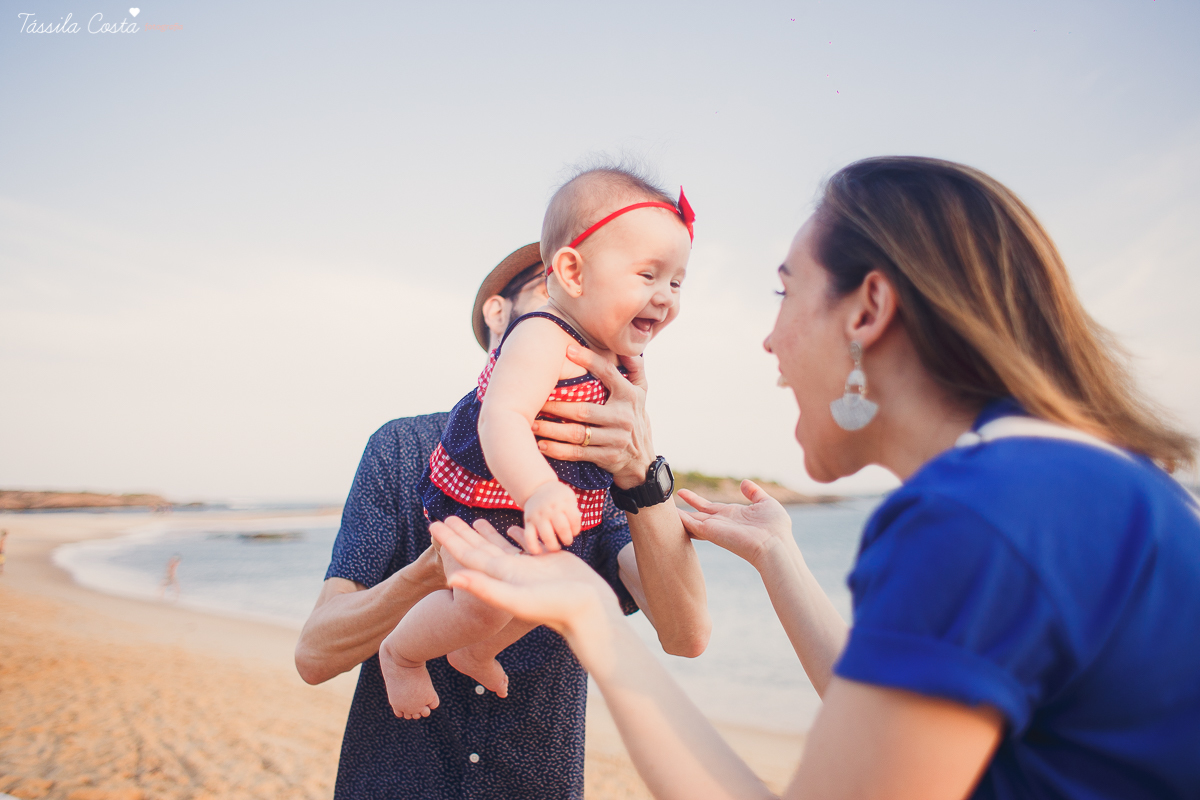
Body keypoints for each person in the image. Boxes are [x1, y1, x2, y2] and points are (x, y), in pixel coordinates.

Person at [430, 156, 1200, 799]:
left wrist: (593, 618)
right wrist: (779, 557)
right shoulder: (1076, 484)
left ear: (867, 311)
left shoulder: (983, 517)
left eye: (784, 292)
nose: (769, 341)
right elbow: (887, 720)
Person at [294, 237, 710, 799]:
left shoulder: (602, 472)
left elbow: (686, 634)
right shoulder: (402, 447)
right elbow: (315, 656)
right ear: (498, 312)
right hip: (394, 782)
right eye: (552, 291)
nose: (580, 311)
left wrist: (642, 472)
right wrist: (427, 574)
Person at [379, 166, 695, 719]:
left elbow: (689, 634)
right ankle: (402, 655)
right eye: (648, 275)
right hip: (485, 498)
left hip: (546, 510)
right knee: (481, 605)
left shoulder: (616, 358)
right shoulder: (542, 333)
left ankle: (476, 652)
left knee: (545, 597)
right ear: (571, 272)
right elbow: (501, 420)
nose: (665, 297)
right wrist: (539, 490)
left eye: (676, 282)